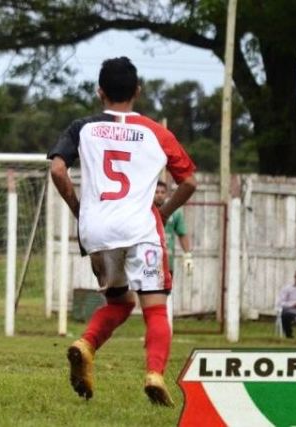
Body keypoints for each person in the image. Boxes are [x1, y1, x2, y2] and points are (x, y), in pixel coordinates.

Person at [48, 57, 197, 406]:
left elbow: (57, 170)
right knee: (155, 308)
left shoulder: (81, 127)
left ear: (100, 91)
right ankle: (155, 375)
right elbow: (189, 181)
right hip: (140, 227)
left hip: (98, 229)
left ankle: (85, 344)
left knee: (119, 301)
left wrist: (79, 209)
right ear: (137, 91)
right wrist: (164, 211)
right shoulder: (156, 132)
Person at [154, 181, 192, 277]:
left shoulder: (175, 212)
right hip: (148, 262)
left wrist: (188, 255)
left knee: (166, 290)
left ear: (166, 194)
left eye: (162, 192)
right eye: (157, 192)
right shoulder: (145, 210)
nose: (159, 195)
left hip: (167, 262)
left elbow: (182, 233)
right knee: (149, 290)